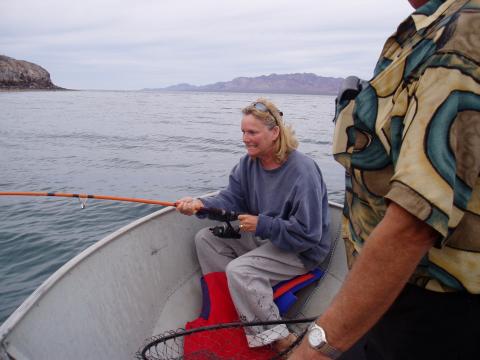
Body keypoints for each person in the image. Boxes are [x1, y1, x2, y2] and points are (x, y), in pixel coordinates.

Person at [289, 0, 480, 359]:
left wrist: (314, 349)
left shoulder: (466, 30)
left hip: (433, 305)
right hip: (392, 292)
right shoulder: (430, 27)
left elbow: (413, 226)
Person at [176, 98, 330, 352]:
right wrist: (200, 204)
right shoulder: (248, 164)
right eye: (243, 132)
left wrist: (263, 225)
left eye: (252, 132)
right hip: (267, 238)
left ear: (275, 132)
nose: (245, 138)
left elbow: (308, 234)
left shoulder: (303, 171)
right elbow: (231, 199)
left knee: (240, 270)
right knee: (205, 239)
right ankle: (237, 307)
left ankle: (281, 338)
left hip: (301, 249)